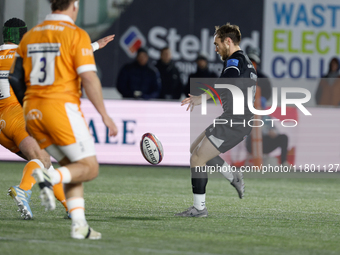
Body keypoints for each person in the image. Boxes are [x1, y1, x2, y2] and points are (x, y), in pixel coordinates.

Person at [9, 0, 118, 239]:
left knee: (72, 165)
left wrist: (27, 105)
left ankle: (79, 225)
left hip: (32, 112)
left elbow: (14, 78)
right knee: (89, 168)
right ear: (75, 6)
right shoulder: (75, 34)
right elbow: (89, 78)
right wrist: (104, 115)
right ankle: (48, 177)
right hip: (60, 109)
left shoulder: (31, 36)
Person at [177, 23, 256, 217]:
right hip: (232, 119)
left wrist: (200, 98)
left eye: (217, 43)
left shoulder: (234, 61)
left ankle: (199, 208)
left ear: (228, 41)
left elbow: (225, 84)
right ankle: (233, 175)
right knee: (194, 150)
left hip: (235, 122)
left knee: (197, 158)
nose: (215, 48)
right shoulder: (245, 61)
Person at [246, 99, 289, 166]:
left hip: (264, 144)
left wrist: (273, 133)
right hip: (252, 144)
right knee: (255, 136)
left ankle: (284, 162)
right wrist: (266, 132)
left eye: (260, 107)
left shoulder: (267, 118)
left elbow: (276, 130)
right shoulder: (249, 117)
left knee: (284, 137)